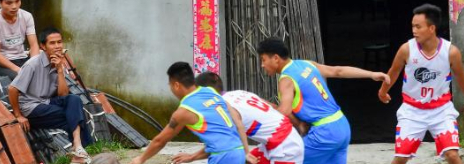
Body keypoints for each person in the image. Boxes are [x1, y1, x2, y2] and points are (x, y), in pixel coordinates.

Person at [256, 38, 390, 164]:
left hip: (324, 134)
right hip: (342, 126)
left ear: (276, 58)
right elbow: (338, 71)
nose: (262, 65)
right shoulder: (306, 64)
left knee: (281, 160)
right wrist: (371, 74)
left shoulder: (286, 79)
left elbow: (284, 111)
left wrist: (258, 113)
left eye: (263, 60)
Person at [378, 4, 464, 164]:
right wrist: (383, 90)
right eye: (412, 26)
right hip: (412, 110)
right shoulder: (406, 49)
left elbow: (461, 77)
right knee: (401, 157)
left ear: (431, 28)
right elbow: (393, 71)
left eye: (418, 26)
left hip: (441, 110)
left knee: (452, 155)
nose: (414, 30)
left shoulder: (451, 52)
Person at [128, 62, 254, 164]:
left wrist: (141, 159)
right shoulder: (211, 92)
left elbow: (159, 141)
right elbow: (230, 129)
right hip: (238, 152)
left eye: (170, 85)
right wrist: (192, 157)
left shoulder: (185, 111)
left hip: (223, 158)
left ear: (176, 85)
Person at [176, 72, 305, 164]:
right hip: (279, 141)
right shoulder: (240, 93)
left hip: (285, 148)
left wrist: (192, 157)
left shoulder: (220, 108)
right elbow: (272, 106)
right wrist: (298, 123)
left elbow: (223, 146)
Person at [8, 28, 93, 164]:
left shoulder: (60, 62)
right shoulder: (32, 64)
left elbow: (63, 94)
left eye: (59, 42)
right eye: (52, 43)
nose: (57, 46)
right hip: (31, 107)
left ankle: (77, 147)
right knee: (73, 115)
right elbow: (12, 89)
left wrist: (59, 70)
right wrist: (18, 115)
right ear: (43, 46)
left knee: (74, 99)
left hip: (47, 102)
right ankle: (82, 149)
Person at [0, 0, 40, 81]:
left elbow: (34, 45)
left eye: (17, 1)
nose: (14, 6)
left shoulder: (27, 16)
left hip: (22, 58)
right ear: (0, 3)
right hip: (2, 64)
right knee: (21, 78)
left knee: (46, 73)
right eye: (9, 3)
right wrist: (18, 70)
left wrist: (34, 65)